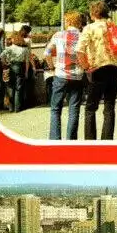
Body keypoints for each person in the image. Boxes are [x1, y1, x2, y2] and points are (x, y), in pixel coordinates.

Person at [75, 0, 117, 140]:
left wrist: (86, 68)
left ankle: (90, 142)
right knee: (109, 107)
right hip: (114, 69)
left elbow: (79, 51)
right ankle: (107, 141)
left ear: (92, 13)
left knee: (90, 108)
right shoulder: (113, 27)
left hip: (97, 70)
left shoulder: (89, 28)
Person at [44, 11, 85, 140]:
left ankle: (55, 140)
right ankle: (71, 140)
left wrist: (51, 67)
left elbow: (47, 53)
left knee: (55, 109)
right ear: (79, 22)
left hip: (61, 75)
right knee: (74, 110)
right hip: (77, 77)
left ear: (68, 22)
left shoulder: (58, 35)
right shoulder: (83, 36)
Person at [0, 33, 29, 113]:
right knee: (18, 88)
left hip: (11, 67)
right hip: (20, 68)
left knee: (11, 87)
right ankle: (17, 108)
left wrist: (5, 63)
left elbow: (1, 55)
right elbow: (27, 62)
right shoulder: (25, 49)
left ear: (14, 39)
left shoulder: (10, 48)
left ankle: (11, 107)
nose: (11, 40)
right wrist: (26, 72)